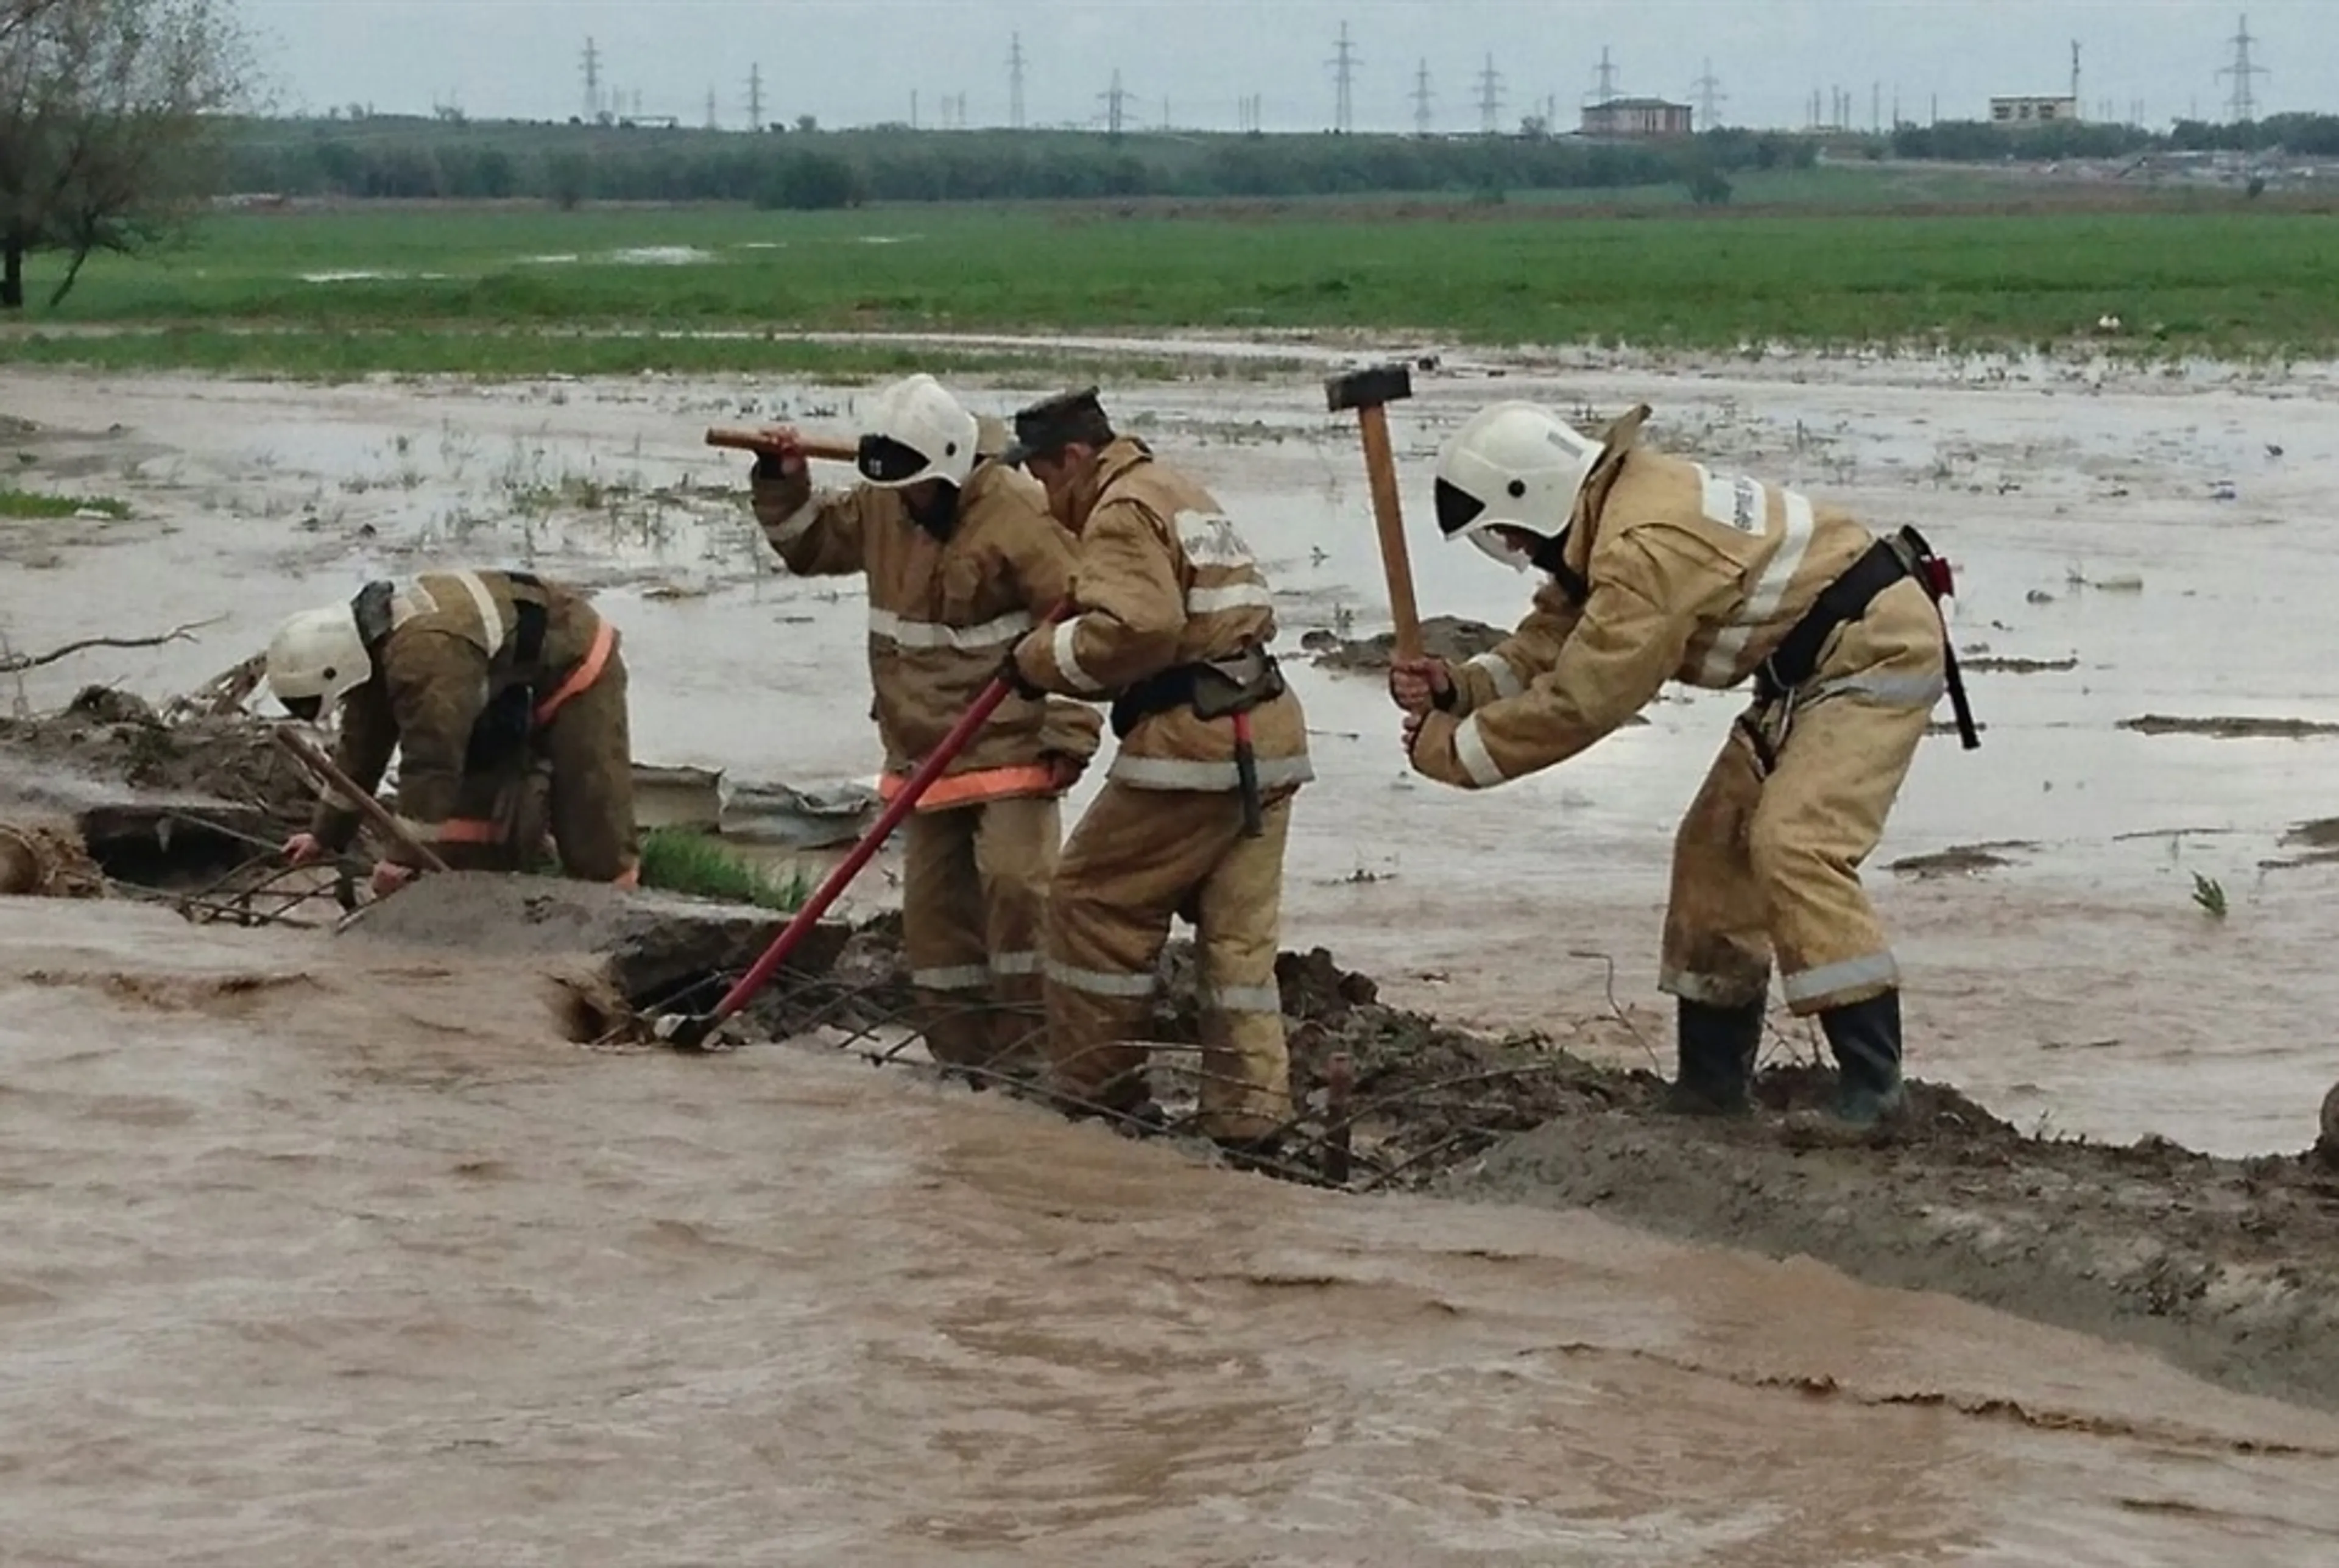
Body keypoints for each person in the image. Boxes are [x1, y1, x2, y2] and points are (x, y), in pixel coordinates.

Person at [1389, 400, 1970, 1132]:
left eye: (1504, 532)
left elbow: (1581, 701)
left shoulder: (1642, 552)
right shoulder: (1611, 511)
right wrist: (1461, 687)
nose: (1511, 547)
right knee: (1713, 850)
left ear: (1529, 498)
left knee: (1795, 844)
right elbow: (1558, 637)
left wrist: (1449, 752)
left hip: (1873, 650)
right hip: (1810, 665)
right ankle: (1711, 1091)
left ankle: (1875, 1092)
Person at [748, 373, 1101, 1079]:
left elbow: (1081, 623)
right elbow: (810, 544)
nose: (907, 501)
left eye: (916, 487)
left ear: (947, 466)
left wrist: (1070, 730)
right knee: (935, 928)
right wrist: (781, 479)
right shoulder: (887, 500)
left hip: (1010, 749)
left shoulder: (1019, 514)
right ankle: (962, 1068)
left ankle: (1034, 1064)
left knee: (1017, 901)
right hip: (922, 756)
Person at [998, 386, 1311, 1160]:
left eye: (1042, 475)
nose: (1042, 494)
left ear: (1073, 458)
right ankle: (1252, 1121)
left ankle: (1100, 1100)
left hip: (1195, 748)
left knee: (1092, 904)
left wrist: (1039, 661)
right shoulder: (1177, 489)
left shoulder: (1118, 510)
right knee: (1238, 949)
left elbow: (1141, 626)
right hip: (1267, 735)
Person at [266, 568, 638, 895]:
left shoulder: (423, 658)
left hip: (576, 661)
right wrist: (324, 836)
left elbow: (431, 761)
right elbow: (359, 755)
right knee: (464, 830)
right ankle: (492, 900)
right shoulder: (372, 656)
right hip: (500, 682)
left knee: (592, 815)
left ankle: (620, 914)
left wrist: (401, 858)